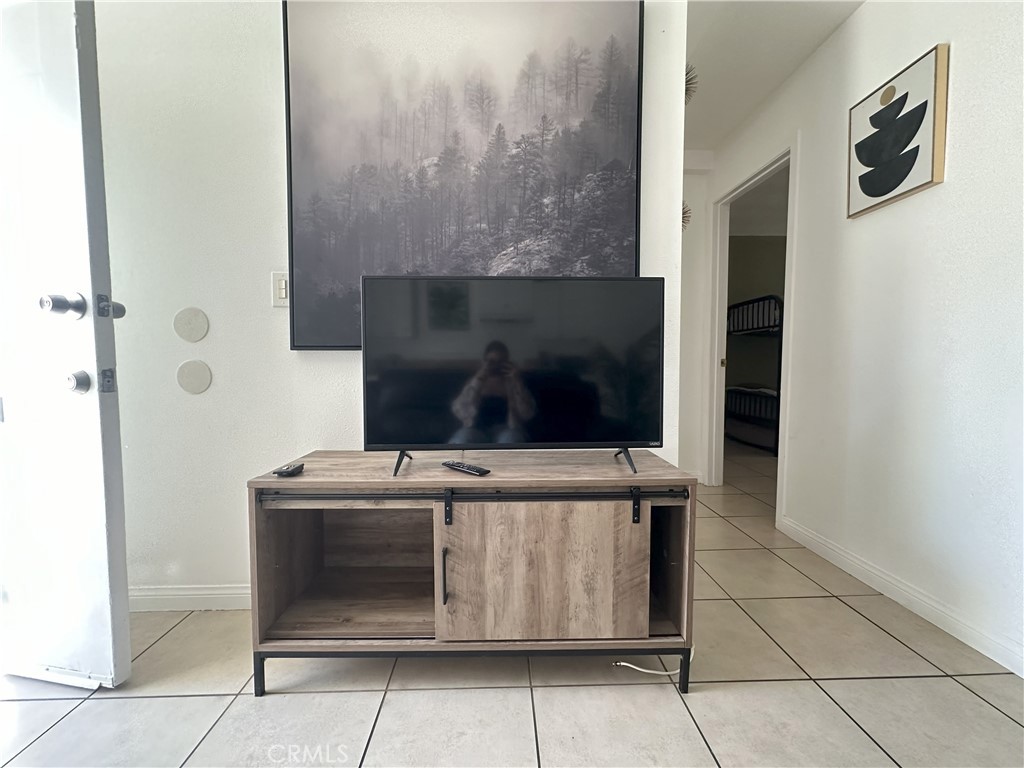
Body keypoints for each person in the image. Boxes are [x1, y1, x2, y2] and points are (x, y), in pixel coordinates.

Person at [450, 340, 536, 444]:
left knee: (511, 440)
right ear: (484, 362)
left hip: (506, 430)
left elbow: (528, 414)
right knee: (460, 440)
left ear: (507, 362)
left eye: (500, 362)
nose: (496, 366)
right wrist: (478, 380)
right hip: (475, 430)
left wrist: (517, 382)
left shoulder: (513, 383)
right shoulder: (475, 382)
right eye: (492, 362)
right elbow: (458, 410)